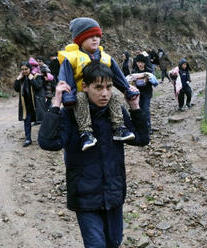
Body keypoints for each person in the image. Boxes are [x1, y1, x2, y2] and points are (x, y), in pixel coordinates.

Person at [38, 61, 149, 248]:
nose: (105, 93)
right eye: (98, 87)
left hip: (113, 194)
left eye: (109, 87)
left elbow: (141, 139)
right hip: (85, 197)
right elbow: (48, 142)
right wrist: (56, 104)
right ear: (85, 87)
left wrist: (135, 107)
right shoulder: (71, 116)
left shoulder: (116, 115)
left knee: (114, 243)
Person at [57, 17, 138, 151]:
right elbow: (66, 78)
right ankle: (86, 133)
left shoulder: (105, 57)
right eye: (90, 36)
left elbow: (118, 76)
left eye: (97, 36)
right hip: (81, 93)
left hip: (101, 92)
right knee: (81, 98)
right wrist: (68, 97)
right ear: (80, 39)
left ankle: (119, 127)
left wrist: (127, 89)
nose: (95, 39)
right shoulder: (71, 58)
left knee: (115, 97)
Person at [14, 62, 43, 147]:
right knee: (26, 121)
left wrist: (31, 78)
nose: (24, 71)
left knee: (40, 121)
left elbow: (38, 86)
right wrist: (18, 79)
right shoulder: (21, 78)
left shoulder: (37, 76)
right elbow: (16, 89)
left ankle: (42, 139)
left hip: (36, 104)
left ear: (30, 69)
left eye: (26, 69)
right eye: (22, 69)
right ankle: (28, 139)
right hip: (25, 105)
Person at [129, 54, 158, 134]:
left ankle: (148, 128)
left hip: (147, 93)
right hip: (137, 94)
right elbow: (131, 83)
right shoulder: (134, 72)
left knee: (145, 109)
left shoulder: (148, 71)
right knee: (138, 110)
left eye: (141, 62)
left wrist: (147, 80)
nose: (140, 64)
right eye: (138, 62)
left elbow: (153, 81)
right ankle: (139, 127)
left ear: (145, 63)